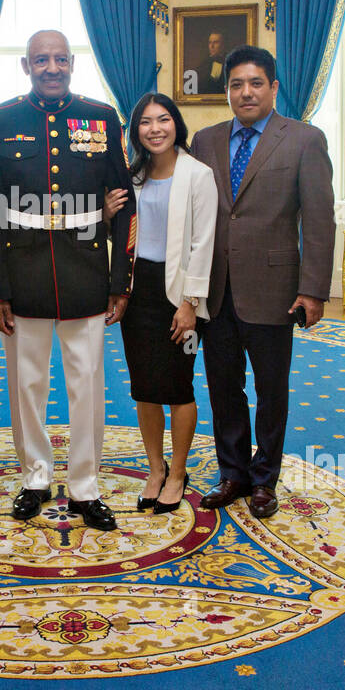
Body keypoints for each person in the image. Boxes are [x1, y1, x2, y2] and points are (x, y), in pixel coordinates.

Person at [0, 29, 136, 532]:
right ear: (26, 66)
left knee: (86, 385)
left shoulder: (101, 116)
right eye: (41, 60)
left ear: (72, 63)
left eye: (60, 59)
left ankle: (86, 485)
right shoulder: (0, 120)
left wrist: (120, 279)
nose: (52, 67)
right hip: (23, 272)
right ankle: (35, 477)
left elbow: (122, 199)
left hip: (86, 269)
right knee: (28, 384)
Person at [190, 45, 334, 520]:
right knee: (222, 386)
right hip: (216, 289)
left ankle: (264, 478)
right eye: (236, 84)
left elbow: (318, 220)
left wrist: (312, 290)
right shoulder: (205, 141)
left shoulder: (304, 139)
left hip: (274, 290)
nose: (245, 92)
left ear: (273, 88)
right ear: (226, 90)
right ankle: (232, 473)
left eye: (255, 83)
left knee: (272, 389)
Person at [105, 93, 217, 513]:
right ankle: (155, 468)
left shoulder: (198, 174)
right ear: (136, 131)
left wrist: (191, 303)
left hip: (180, 293)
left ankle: (178, 471)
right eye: (146, 122)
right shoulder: (133, 177)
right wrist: (104, 213)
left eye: (163, 119)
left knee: (178, 385)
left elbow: (204, 242)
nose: (155, 129)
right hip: (139, 291)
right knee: (145, 389)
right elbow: (127, 235)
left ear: (176, 125)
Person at [191, 31, 227, 95]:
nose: (212, 46)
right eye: (210, 43)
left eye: (215, 42)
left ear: (223, 45)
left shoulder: (229, 62)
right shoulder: (203, 64)